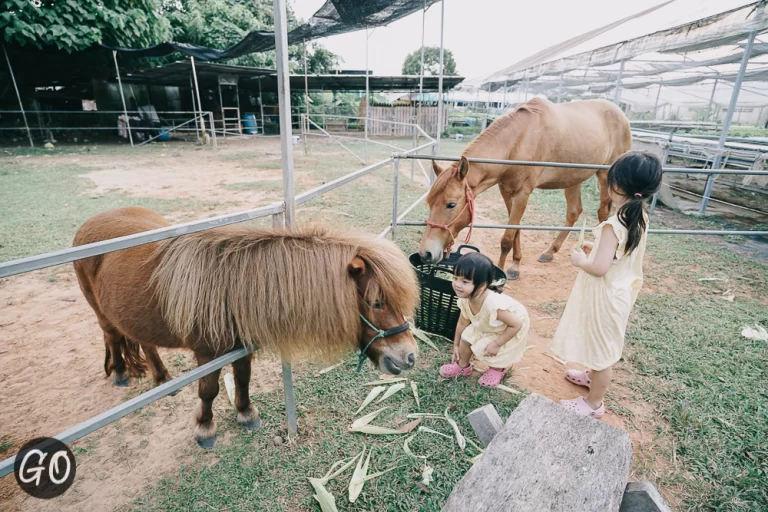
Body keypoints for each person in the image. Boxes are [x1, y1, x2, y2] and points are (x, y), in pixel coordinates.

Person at [551, 151, 662, 418]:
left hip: (606, 296)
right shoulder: (638, 217)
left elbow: (599, 268)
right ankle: (591, 376)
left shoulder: (614, 225)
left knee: (603, 353)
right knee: (601, 342)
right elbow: (621, 254)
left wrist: (580, 260)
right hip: (619, 293)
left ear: (617, 186)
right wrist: (597, 247)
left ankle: (594, 404)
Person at [439, 252, 530, 388]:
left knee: (492, 348)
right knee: (466, 337)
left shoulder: (493, 305)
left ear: (482, 285)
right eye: (455, 278)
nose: (457, 284)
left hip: (510, 325)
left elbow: (516, 324)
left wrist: (497, 343)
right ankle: (463, 366)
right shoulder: (465, 299)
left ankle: (498, 369)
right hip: (490, 324)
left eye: (465, 281)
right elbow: (462, 323)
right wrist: (456, 344)